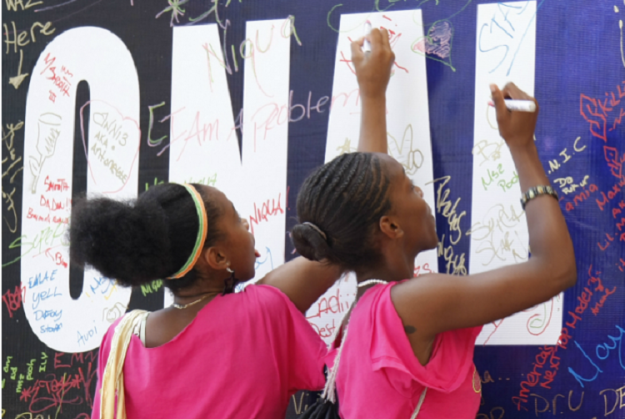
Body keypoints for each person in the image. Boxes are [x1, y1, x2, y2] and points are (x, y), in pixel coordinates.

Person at [290, 30, 577, 418]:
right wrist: (522, 147)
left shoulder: (362, 315)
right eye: (411, 189)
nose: (423, 196)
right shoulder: (412, 304)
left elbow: (367, 194)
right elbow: (555, 269)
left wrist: (372, 93)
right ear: (390, 228)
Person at [69, 182, 342, 419]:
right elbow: (356, 235)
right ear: (218, 258)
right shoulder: (261, 313)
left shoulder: (120, 340)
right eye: (236, 219)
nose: (246, 224)